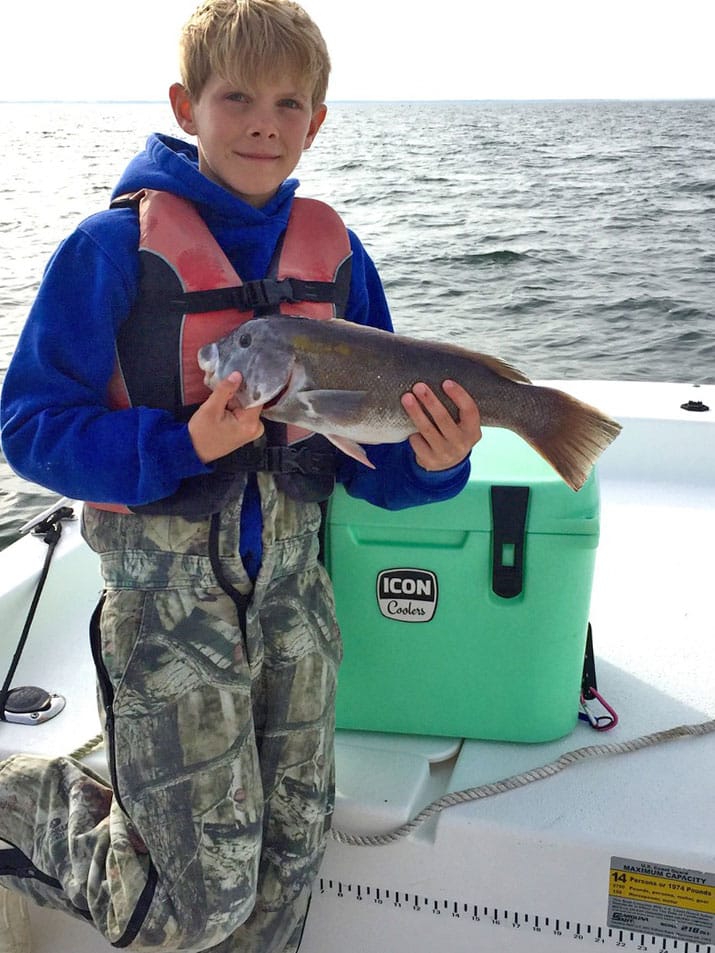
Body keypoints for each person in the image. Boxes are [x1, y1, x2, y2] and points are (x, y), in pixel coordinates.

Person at [0, 1, 481, 950]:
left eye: (289, 102)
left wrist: (435, 464)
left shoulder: (338, 259)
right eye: (236, 96)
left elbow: (375, 457)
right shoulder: (108, 253)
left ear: (317, 121)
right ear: (186, 105)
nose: (264, 120)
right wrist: (182, 445)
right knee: (194, 907)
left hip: (298, 602)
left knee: (292, 863)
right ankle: (33, 795)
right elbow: (29, 427)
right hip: (164, 611)